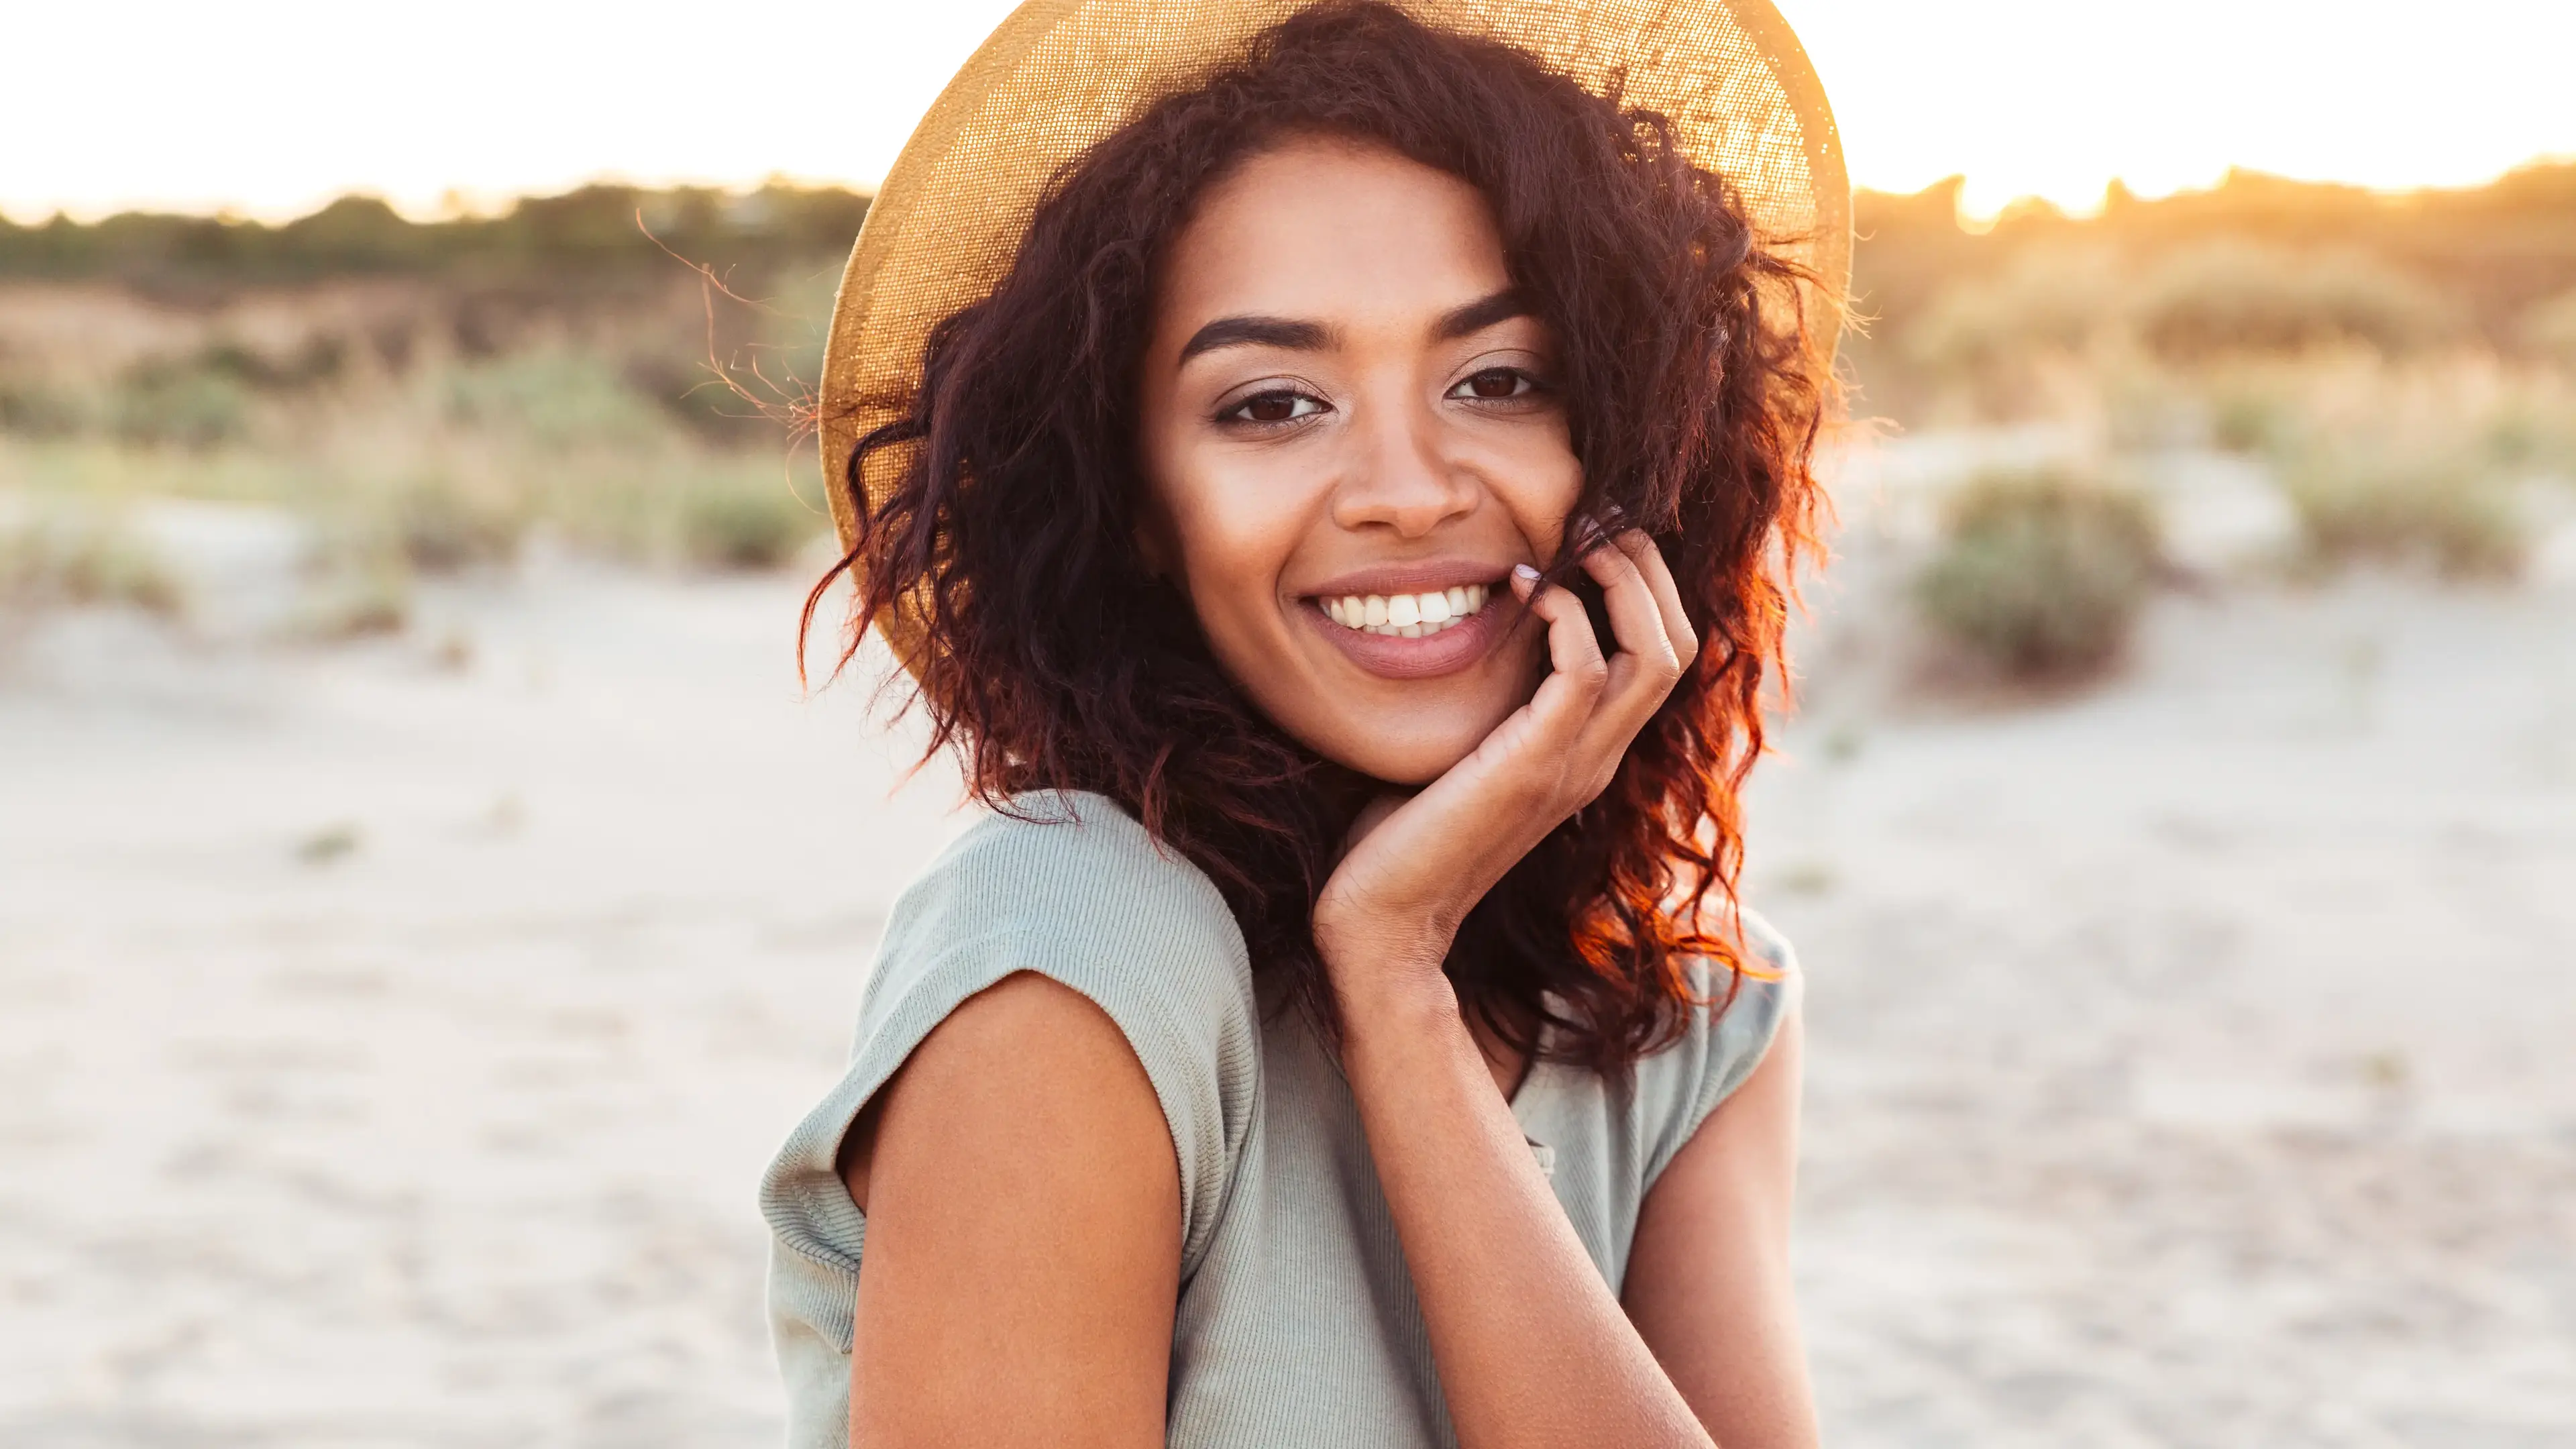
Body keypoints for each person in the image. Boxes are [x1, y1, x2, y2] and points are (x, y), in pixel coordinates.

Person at [761, 2, 1847, 1445]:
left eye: (1498, 381)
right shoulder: (1074, 950)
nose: (1407, 489)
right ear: (1137, 507)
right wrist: (1387, 961)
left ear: (1626, 445)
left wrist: (1399, 987)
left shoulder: (1693, 1003)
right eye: (1274, 404)